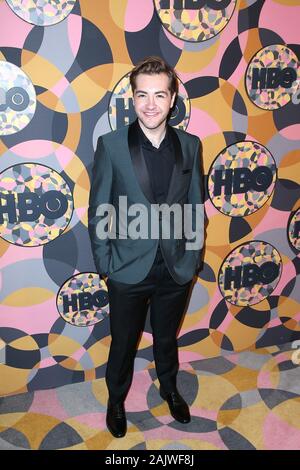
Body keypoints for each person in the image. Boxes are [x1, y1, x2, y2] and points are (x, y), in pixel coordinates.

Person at [88, 56, 205, 438]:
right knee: (123, 342)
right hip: (127, 268)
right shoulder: (112, 145)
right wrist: (106, 264)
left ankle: (169, 389)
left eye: (160, 95)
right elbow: (101, 207)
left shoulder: (190, 145)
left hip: (176, 268)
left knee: (167, 337)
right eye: (143, 95)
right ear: (132, 99)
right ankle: (115, 401)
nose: (151, 104)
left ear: (173, 99)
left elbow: (194, 205)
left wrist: (193, 257)